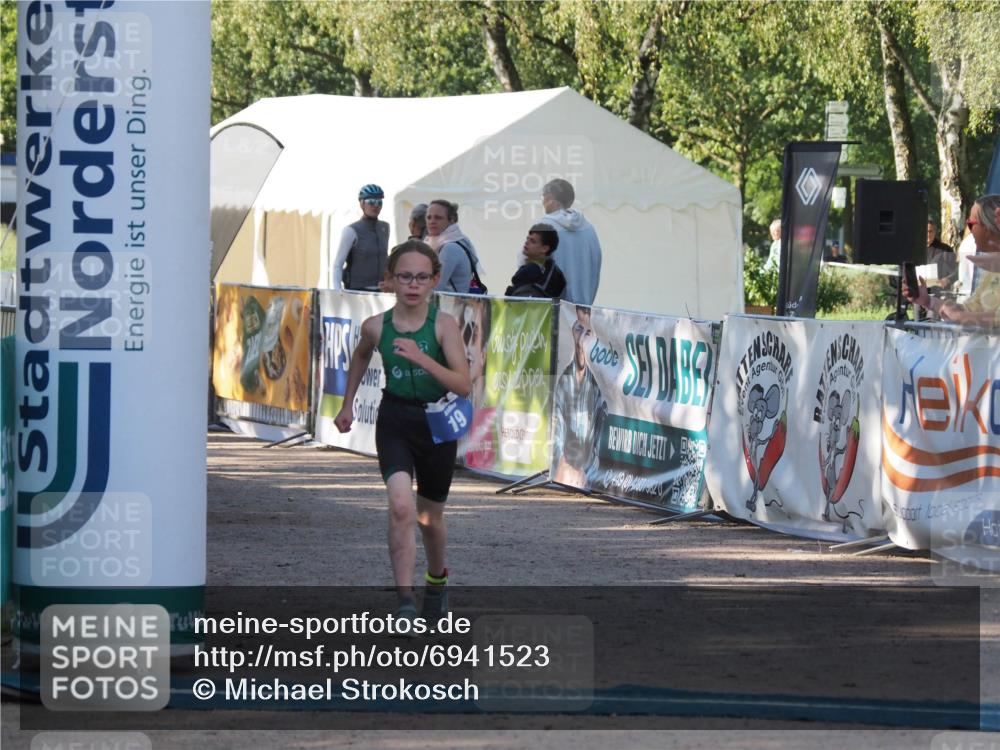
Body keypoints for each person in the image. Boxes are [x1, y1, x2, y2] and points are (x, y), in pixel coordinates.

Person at [334, 241, 471, 622]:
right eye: (405, 276)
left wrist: (422, 358)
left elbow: (463, 385)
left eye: (421, 277)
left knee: (430, 518)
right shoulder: (376, 326)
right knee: (399, 506)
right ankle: (405, 601)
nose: (413, 284)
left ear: (435, 280)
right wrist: (348, 403)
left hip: (437, 424)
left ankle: (437, 582)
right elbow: (361, 353)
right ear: (390, 280)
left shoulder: (443, 325)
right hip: (395, 419)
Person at [905, 195, 1000, 329]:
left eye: (971, 224)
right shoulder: (990, 273)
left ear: (988, 227)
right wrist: (927, 300)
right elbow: (969, 308)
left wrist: (960, 317)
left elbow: (994, 319)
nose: (969, 230)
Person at [552, 306, 606, 488]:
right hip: (565, 470)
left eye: (588, 332)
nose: (582, 337)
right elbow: (556, 430)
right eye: (578, 329)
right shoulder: (565, 381)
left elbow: (601, 433)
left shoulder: (600, 382)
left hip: (589, 472)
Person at [541, 178, 602, 304]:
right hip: (582, 314)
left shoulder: (544, 226)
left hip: (550, 313)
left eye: (545, 198)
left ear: (550, 200)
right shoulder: (589, 230)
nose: (543, 202)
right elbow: (596, 267)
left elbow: (526, 266)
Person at [333, 184, 391, 291]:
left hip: (380, 291)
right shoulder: (351, 231)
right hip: (357, 290)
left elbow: (385, 258)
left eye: (379, 202)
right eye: (371, 202)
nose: (376, 206)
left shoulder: (385, 227)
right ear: (362, 203)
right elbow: (338, 264)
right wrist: (337, 292)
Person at [424, 199, 484, 294]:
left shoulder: (450, 248)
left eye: (438, 217)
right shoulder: (456, 240)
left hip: (451, 307)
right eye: (429, 217)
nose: (432, 221)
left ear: (451, 220)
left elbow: (435, 286)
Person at [505, 223, 566, 298]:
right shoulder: (555, 273)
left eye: (533, 241)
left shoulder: (530, 270)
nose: (527, 242)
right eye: (527, 238)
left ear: (545, 249)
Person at [925, 219, 958, 291]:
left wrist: (947, 279)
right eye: (925, 231)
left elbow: (957, 272)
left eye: (930, 231)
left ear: (934, 232)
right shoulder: (915, 249)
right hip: (919, 293)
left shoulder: (945, 250)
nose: (928, 234)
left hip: (939, 293)